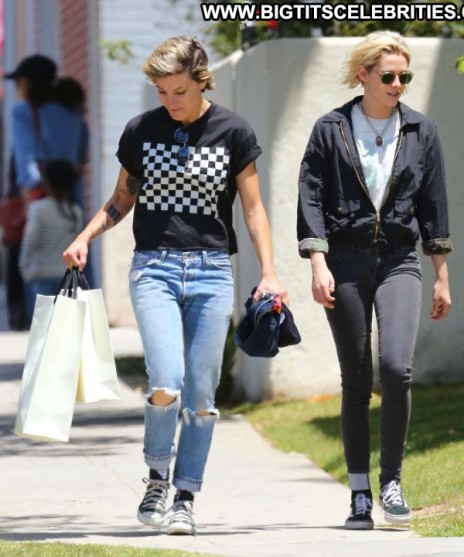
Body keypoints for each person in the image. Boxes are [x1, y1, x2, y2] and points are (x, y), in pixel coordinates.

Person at [63, 35, 288, 536]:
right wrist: (84, 237)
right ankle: (156, 476)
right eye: (162, 92)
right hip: (154, 269)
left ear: (202, 80)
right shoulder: (141, 131)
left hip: (212, 270)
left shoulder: (233, 131)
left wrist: (270, 272)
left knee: (202, 394)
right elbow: (121, 199)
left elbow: (253, 209)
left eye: (179, 91)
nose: (170, 101)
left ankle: (186, 496)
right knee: (166, 380)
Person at [297, 31, 452, 530]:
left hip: (399, 260)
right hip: (344, 261)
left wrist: (441, 276)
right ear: (363, 74)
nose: (397, 84)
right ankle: (360, 492)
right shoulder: (331, 129)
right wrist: (318, 262)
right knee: (357, 379)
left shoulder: (421, 131)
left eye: (405, 76)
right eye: (388, 76)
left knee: (396, 369)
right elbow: (311, 196)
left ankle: (392, 483)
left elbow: (434, 205)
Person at [4, 55, 89, 208]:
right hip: (72, 201)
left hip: (41, 199)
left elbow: (27, 159)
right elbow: (81, 158)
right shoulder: (74, 111)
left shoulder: (23, 112)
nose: (17, 86)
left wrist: (30, 192)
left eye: (19, 81)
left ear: (29, 82)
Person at [19, 159, 82, 317]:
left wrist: (26, 271)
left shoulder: (38, 209)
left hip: (41, 275)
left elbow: (30, 241)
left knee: (43, 324)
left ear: (47, 182)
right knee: (64, 323)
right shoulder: (76, 212)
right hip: (67, 276)